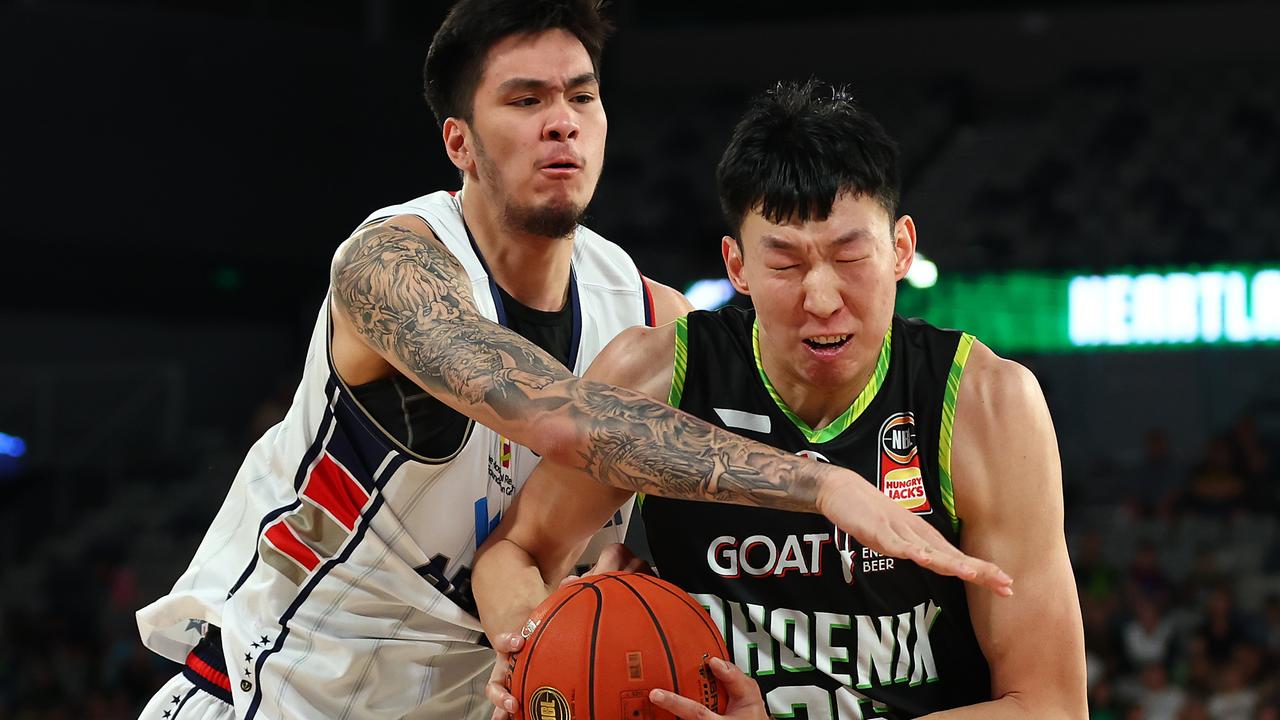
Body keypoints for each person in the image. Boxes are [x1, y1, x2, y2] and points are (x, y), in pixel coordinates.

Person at [133, 5, 1007, 719]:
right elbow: (561, 420)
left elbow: (560, 562)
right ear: (459, 143)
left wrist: (554, 624)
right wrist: (821, 484)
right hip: (281, 686)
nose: (561, 122)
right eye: (524, 100)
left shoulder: (647, 316)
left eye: (581, 97)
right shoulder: (392, 267)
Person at [475, 80, 1085, 719]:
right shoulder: (656, 378)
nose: (822, 299)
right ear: (736, 265)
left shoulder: (984, 405)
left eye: (851, 256)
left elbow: (1049, 705)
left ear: (901, 248)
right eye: (786, 265)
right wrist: (531, 646)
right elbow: (515, 551)